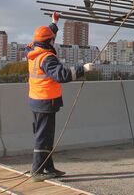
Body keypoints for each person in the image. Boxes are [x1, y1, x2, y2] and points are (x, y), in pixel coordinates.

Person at [27, 12, 94, 182]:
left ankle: (47, 168)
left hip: (37, 100)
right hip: (45, 101)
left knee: (45, 135)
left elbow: (47, 36)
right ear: (48, 42)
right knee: (43, 136)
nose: (53, 41)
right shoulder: (47, 58)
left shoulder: (33, 50)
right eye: (52, 39)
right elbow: (62, 75)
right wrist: (82, 69)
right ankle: (36, 170)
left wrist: (54, 23)